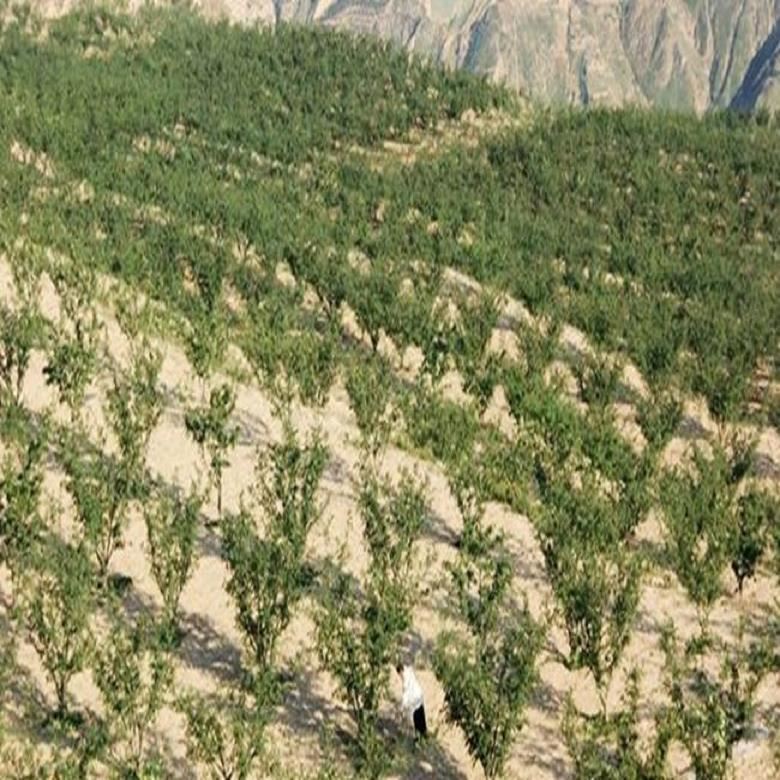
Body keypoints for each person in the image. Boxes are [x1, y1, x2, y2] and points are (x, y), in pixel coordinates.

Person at [396, 662, 427, 739]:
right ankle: (424, 733)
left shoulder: (405, 680)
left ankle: (418, 737)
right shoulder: (409, 670)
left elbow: (405, 694)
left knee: (416, 719)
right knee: (421, 716)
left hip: (414, 700)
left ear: (401, 672)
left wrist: (402, 706)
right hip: (419, 695)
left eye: (400, 674)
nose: (400, 677)